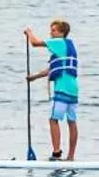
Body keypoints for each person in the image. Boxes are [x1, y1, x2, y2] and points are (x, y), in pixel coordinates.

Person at [24, 20, 80, 162]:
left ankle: (56, 153)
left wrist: (29, 32)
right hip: (73, 89)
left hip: (62, 89)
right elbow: (53, 68)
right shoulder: (69, 45)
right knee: (72, 121)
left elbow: (34, 43)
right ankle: (71, 157)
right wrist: (34, 77)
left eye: (54, 30)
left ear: (62, 32)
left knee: (53, 120)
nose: (51, 33)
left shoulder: (58, 42)